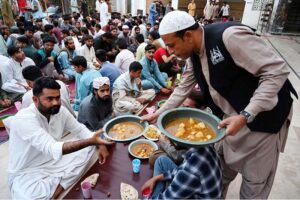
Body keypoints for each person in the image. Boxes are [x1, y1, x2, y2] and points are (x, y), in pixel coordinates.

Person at [142, 11, 297, 199]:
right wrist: (158, 113)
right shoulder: (193, 54)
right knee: (221, 172)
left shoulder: (229, 37)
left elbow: (276, 71)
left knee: (254, 184)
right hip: (231, 117)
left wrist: (246, 115)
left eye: (171, 45)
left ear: (188, 36)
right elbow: (183, 88)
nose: (170, 51)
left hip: (264, 119)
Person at [4, 76, 113, 199]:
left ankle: (60, 185)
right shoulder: (24, 119)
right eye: (49, 99)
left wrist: (99, 143)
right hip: (27, 170)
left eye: (57, 97)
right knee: (28, 197)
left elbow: (80, 129)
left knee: (88, 149)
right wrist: (91, 141)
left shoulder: (60, 111)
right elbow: (53, 147)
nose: (55, 102)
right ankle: (58, 184)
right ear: (35, 100)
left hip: (52, 159)